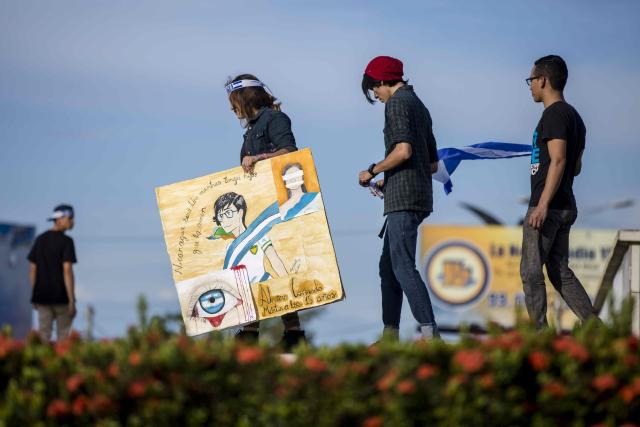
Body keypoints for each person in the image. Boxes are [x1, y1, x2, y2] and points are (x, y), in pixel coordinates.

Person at [358, 56, 440, 340]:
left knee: (403, 265)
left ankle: (430, 336)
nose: (375, 96)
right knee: (388, 267)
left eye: (374, 89)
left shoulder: (397, 103)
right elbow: (430, 163)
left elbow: (403, 151)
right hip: (414, 193)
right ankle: (390, 335)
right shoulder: (419, 105)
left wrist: (372, 171)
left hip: (403, 200)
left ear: (382, 81)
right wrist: (388, 179)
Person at [224, 74, 306, 349]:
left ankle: (292, 333)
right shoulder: (250, 129)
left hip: (275, 208)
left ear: (245, 99)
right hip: (256, 208)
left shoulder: (275, 120)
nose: (232, 108)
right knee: (251, 268)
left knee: (274, 267)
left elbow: (290, 152)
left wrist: (257, 158)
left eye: (234, 102)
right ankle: (251, 330)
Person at [520, 55, 596, 329]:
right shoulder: (575, 118)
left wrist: (541, 205)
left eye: (531, 80)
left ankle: (538, 337)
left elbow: (560, 160)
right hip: (565, 204)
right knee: (559, 271)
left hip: (547, 206)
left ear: (543, 80)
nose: (530, 86)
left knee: (530, 271)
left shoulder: (553, 114)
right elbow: (575, 168)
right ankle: (596, 329)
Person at [27, 204, 77, 342]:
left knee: (44, 337)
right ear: (59, 219)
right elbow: (67, 270)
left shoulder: (40, 239)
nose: (72, 221)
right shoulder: (67, 242)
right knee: (64, 339)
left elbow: (32, 269)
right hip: (62, 298)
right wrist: (72, 301)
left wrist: (35, 294)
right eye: (70, 218)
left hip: (42, 297)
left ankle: (44, 363)